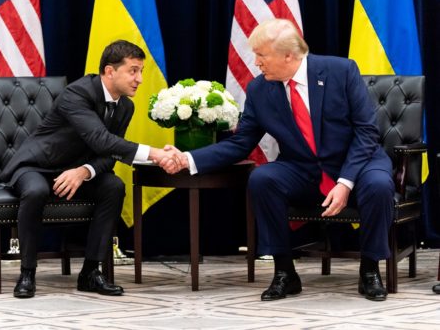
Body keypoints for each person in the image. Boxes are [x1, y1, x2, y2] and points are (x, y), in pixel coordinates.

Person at [162, 19, 394, 302]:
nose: (256, 62)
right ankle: (285, 271)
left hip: (358, 163)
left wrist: (345, 182)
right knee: (263, 179)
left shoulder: (341, 71)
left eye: (262, 55)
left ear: (288, 55)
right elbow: (240, 143)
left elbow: (366, 132)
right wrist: (187, 158)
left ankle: (370, 269)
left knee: (379, 184)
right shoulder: (260, 90)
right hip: (304, 169)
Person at [0, 40, 175, 298]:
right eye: (133, 71)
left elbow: (110, 154)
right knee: (36, 191)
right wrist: (155, 153)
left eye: (141, 71)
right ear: (109, 71)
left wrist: (84, 171)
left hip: (76, 171)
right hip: (38, 166)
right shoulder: (77, 93)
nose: (139, 79)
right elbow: (100, 140)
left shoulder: (126, 106)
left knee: (113, 186)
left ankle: (91, 273)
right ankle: (27, 273)